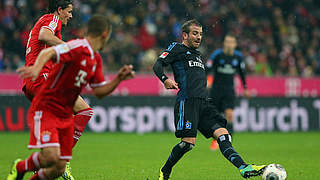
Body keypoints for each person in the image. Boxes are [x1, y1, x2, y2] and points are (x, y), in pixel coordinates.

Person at [7, 15, 134, 180]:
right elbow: (48, 52)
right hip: (47, 107)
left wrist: (118, 79)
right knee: (50, 157)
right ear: (104, 34)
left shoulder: (95, 59)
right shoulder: (76, 47)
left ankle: (26, 168)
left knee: (57, 168)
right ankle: (20, 167)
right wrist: (36, 68)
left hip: (65, 116)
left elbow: (100, 92)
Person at [153, 19, 265, 180]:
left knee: (224, 134)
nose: (199, 37)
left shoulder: (198, 55)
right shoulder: (176, 48)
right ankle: (165, 170)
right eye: (195, 33)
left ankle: (243, 167)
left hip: (204, 103)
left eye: (200, 34)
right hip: (188, 101)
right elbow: (157, 64)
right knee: (188, 144)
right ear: (184, 35)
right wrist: (165, 79)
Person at [22, 0, 91, 178]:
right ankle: (63, 158)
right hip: (41, 80)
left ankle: (40, 165)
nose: (71, 15)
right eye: (68, 11)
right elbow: (44, 36)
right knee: (84, 111)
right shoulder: (51, 19)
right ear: (59, 10)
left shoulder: (46, 22)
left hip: (35, 82)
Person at [206, 34, 249, 150]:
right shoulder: (217, 55)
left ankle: (229, 140)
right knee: (216, 116)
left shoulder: (238, 57)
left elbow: (242, 73)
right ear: (224, 43)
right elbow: (207, 68)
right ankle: (215, 139)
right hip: (216, 90)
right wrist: (207, 81)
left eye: (232, 42)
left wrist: (245, 88)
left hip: (229, 90)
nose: (229, 44)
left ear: (235, 44)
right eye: (227, 42)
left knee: (230, 115)